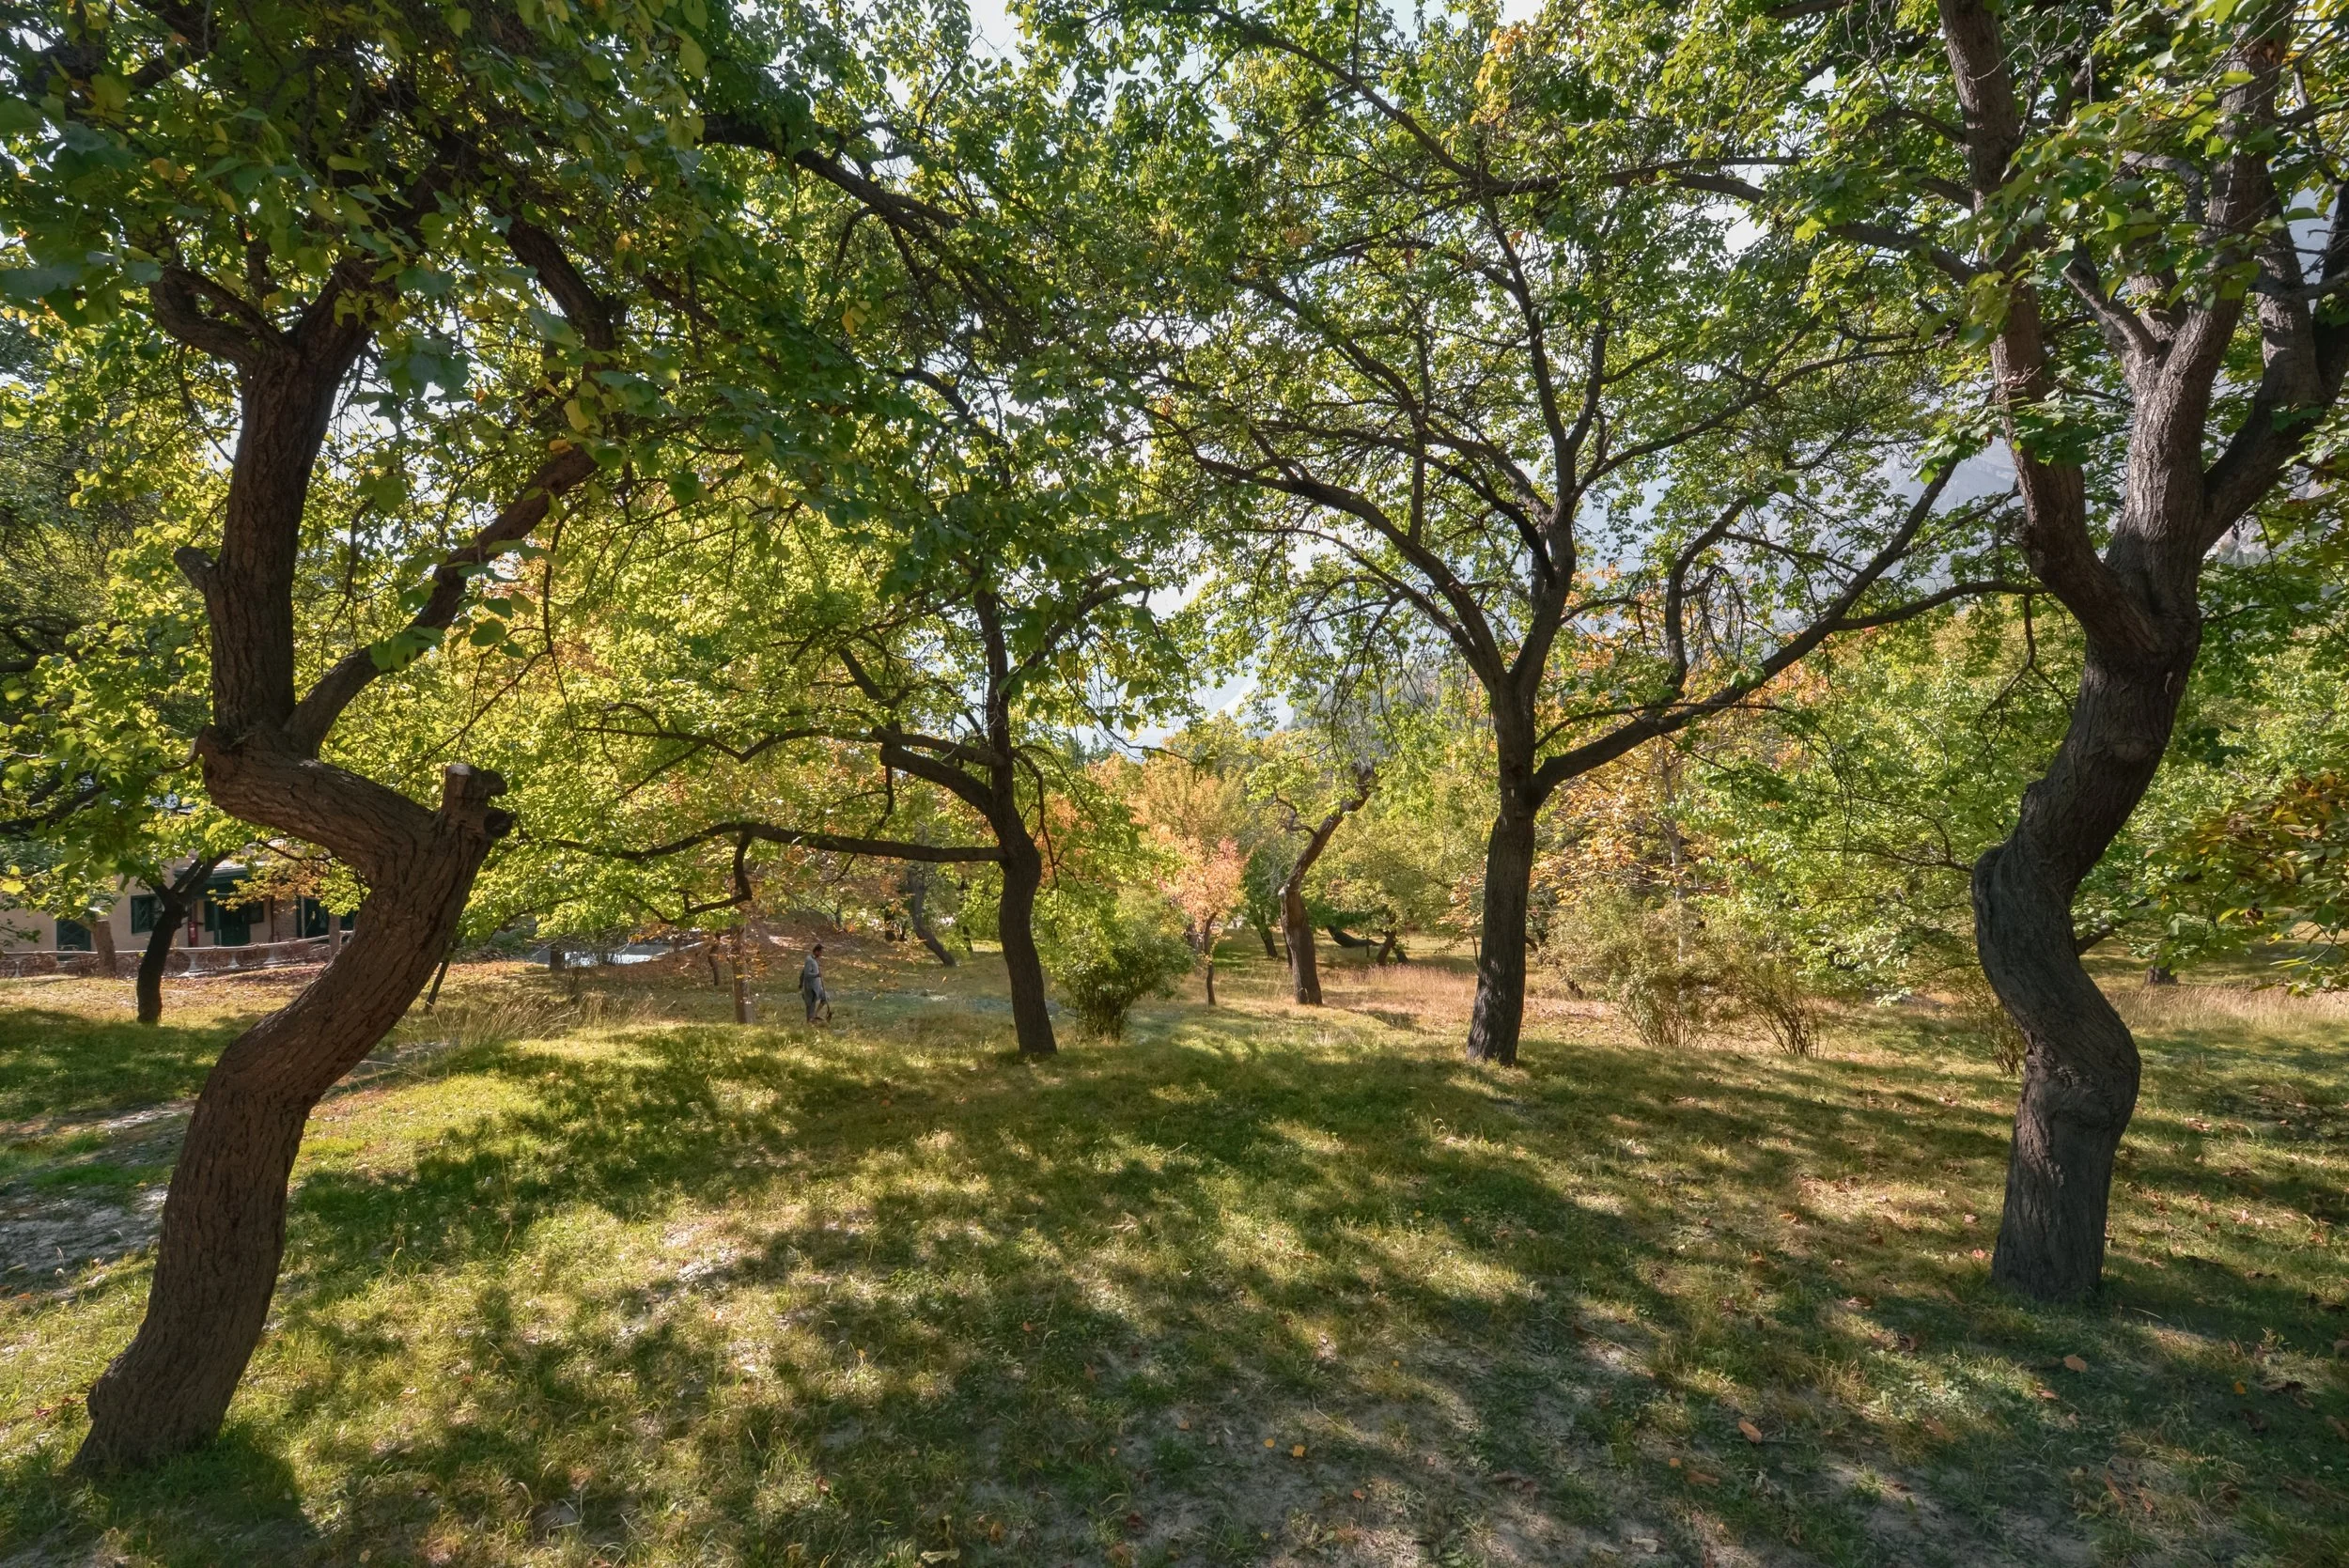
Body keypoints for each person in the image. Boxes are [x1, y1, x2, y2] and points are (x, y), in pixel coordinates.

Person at [800, 942, 829, 1023]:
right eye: (820, 952)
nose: (821, 954)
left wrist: (800, 981)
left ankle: (815, 1015)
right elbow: (806, 974)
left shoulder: (814, 960)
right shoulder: (809, 960)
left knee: (825, 997)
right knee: (810, 1006)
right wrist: (817, 975)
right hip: (811, 988)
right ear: (816, 951)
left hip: (817, 987)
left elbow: (802, 972)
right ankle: (809, 1021)